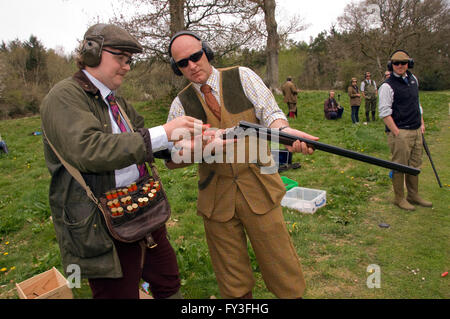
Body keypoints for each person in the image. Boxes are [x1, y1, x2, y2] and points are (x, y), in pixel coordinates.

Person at [40, 24, 204, 299]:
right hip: (101, 225)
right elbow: (89, 150)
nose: (127, 67)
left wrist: (194, 146)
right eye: (120, 58)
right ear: (91, 53)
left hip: (142, 209)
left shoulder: (116, 102)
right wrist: (165, 132)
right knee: (118, 293)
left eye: (129, 61)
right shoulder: (63, 97)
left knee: (168, 281)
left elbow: (146, 144)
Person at [165, 30, 318, 299]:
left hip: (259, 183)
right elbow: (171, 158)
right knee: (231, 276)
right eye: (182, 63)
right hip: (215, 196)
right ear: (176, 68)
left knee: (281, 265)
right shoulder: (180, 104)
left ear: (206, 51)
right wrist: (196, 150)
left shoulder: (242, 76)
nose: (191, 65)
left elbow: (270, 113)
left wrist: (285, 132)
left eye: (195, 56)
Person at [378, 49, 432, 211]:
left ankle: (413, 195)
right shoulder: (387, 86)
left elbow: (417, 103)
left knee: (415, 164)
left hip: (416, 130)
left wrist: (421, 123)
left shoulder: (413, 79)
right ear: (391, 65)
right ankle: (399, 198)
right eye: (396, 63)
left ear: (409, 64)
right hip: (400, 132)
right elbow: (384, 112)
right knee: (400, 165)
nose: (400, 66)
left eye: (403, 63)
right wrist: (397, 132)